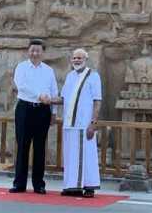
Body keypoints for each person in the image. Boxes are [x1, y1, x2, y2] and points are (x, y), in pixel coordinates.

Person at [41, 48, 102, 198]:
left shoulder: (93, 76)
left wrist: (93, 123)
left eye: (79, 58)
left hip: (84, 124)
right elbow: (63, 99)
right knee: (71, 156)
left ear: (85, 59)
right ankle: (73, 187)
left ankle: (89, 186)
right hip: (70, 124)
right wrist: (47, 99)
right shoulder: (69, 77)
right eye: (74, 58)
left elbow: (97, 101)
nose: (76, 60)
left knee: (87, 155)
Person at [9, 38, 58, 195]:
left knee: (40, 148)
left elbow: (54, 91)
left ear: (43, 52)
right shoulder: (21, 67)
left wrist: (54, 112)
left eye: (38, 50)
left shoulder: (49, 70)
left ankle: (39, 184)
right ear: (28, 51)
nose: (35, 53)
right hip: (25, 108)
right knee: (22, 146)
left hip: (43, 111)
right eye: (32, 50)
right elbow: (21, 86)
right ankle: (19, 183)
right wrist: (39, 96)